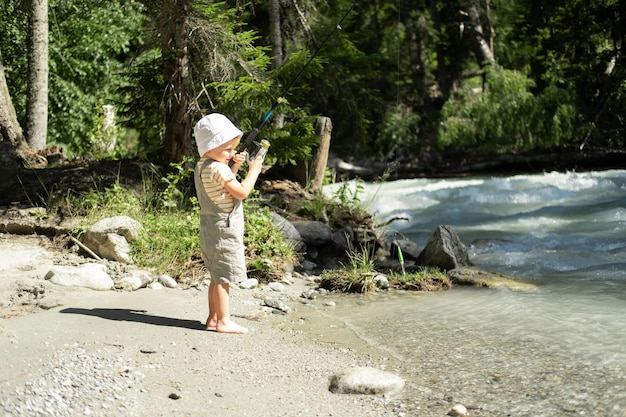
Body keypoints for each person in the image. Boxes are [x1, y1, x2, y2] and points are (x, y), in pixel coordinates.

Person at [193, 113, 264, 334]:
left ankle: (213, 318)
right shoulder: (218, 168)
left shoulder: (204, 165)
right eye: (227, 149)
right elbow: (241, 193)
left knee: (216, 275)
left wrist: (233, 167)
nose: (232, 153)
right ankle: (223, 321)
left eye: (233, 148)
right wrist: (253, 172)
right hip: (224, 228)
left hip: (210, 226)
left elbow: (221, 189)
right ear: (208, 148)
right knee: (224, 278)